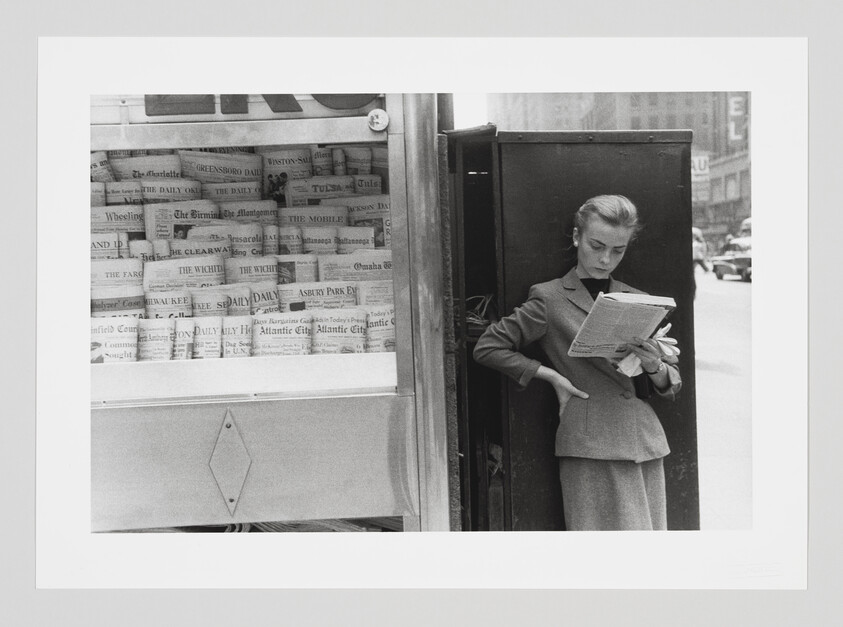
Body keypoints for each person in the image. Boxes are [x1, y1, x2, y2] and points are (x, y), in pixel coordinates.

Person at [473, 195, 681, 531]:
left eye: (618, 250)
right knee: (597, 558)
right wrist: (550, 376)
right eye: (596, 245)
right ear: (576, 237)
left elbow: (672, 384)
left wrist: (654, 365)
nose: (605, 259)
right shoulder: (549, 298)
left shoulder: (639, 300)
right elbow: (488, 347)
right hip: (590, 443)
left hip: (644, 440)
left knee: (645, 559)